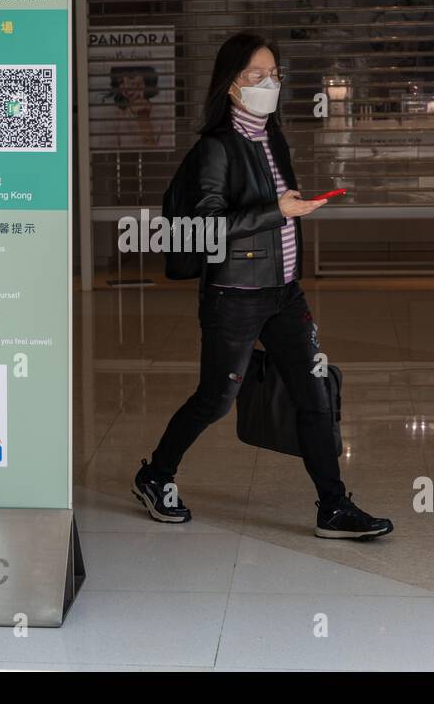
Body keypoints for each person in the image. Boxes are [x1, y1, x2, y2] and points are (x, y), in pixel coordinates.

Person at [132, 32, 393, 539]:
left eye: (274, 74)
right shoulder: (216, 148)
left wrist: (287, 205)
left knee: (315, 392)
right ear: (231, 85)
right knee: (216, 399)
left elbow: (271, 208)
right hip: (234, 294)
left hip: (284, 292)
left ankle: (333, 507)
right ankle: (155, 474)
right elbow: (207, 226)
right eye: (256, 75)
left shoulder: (273, 137)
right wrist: (279, 210)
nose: (268, 83)